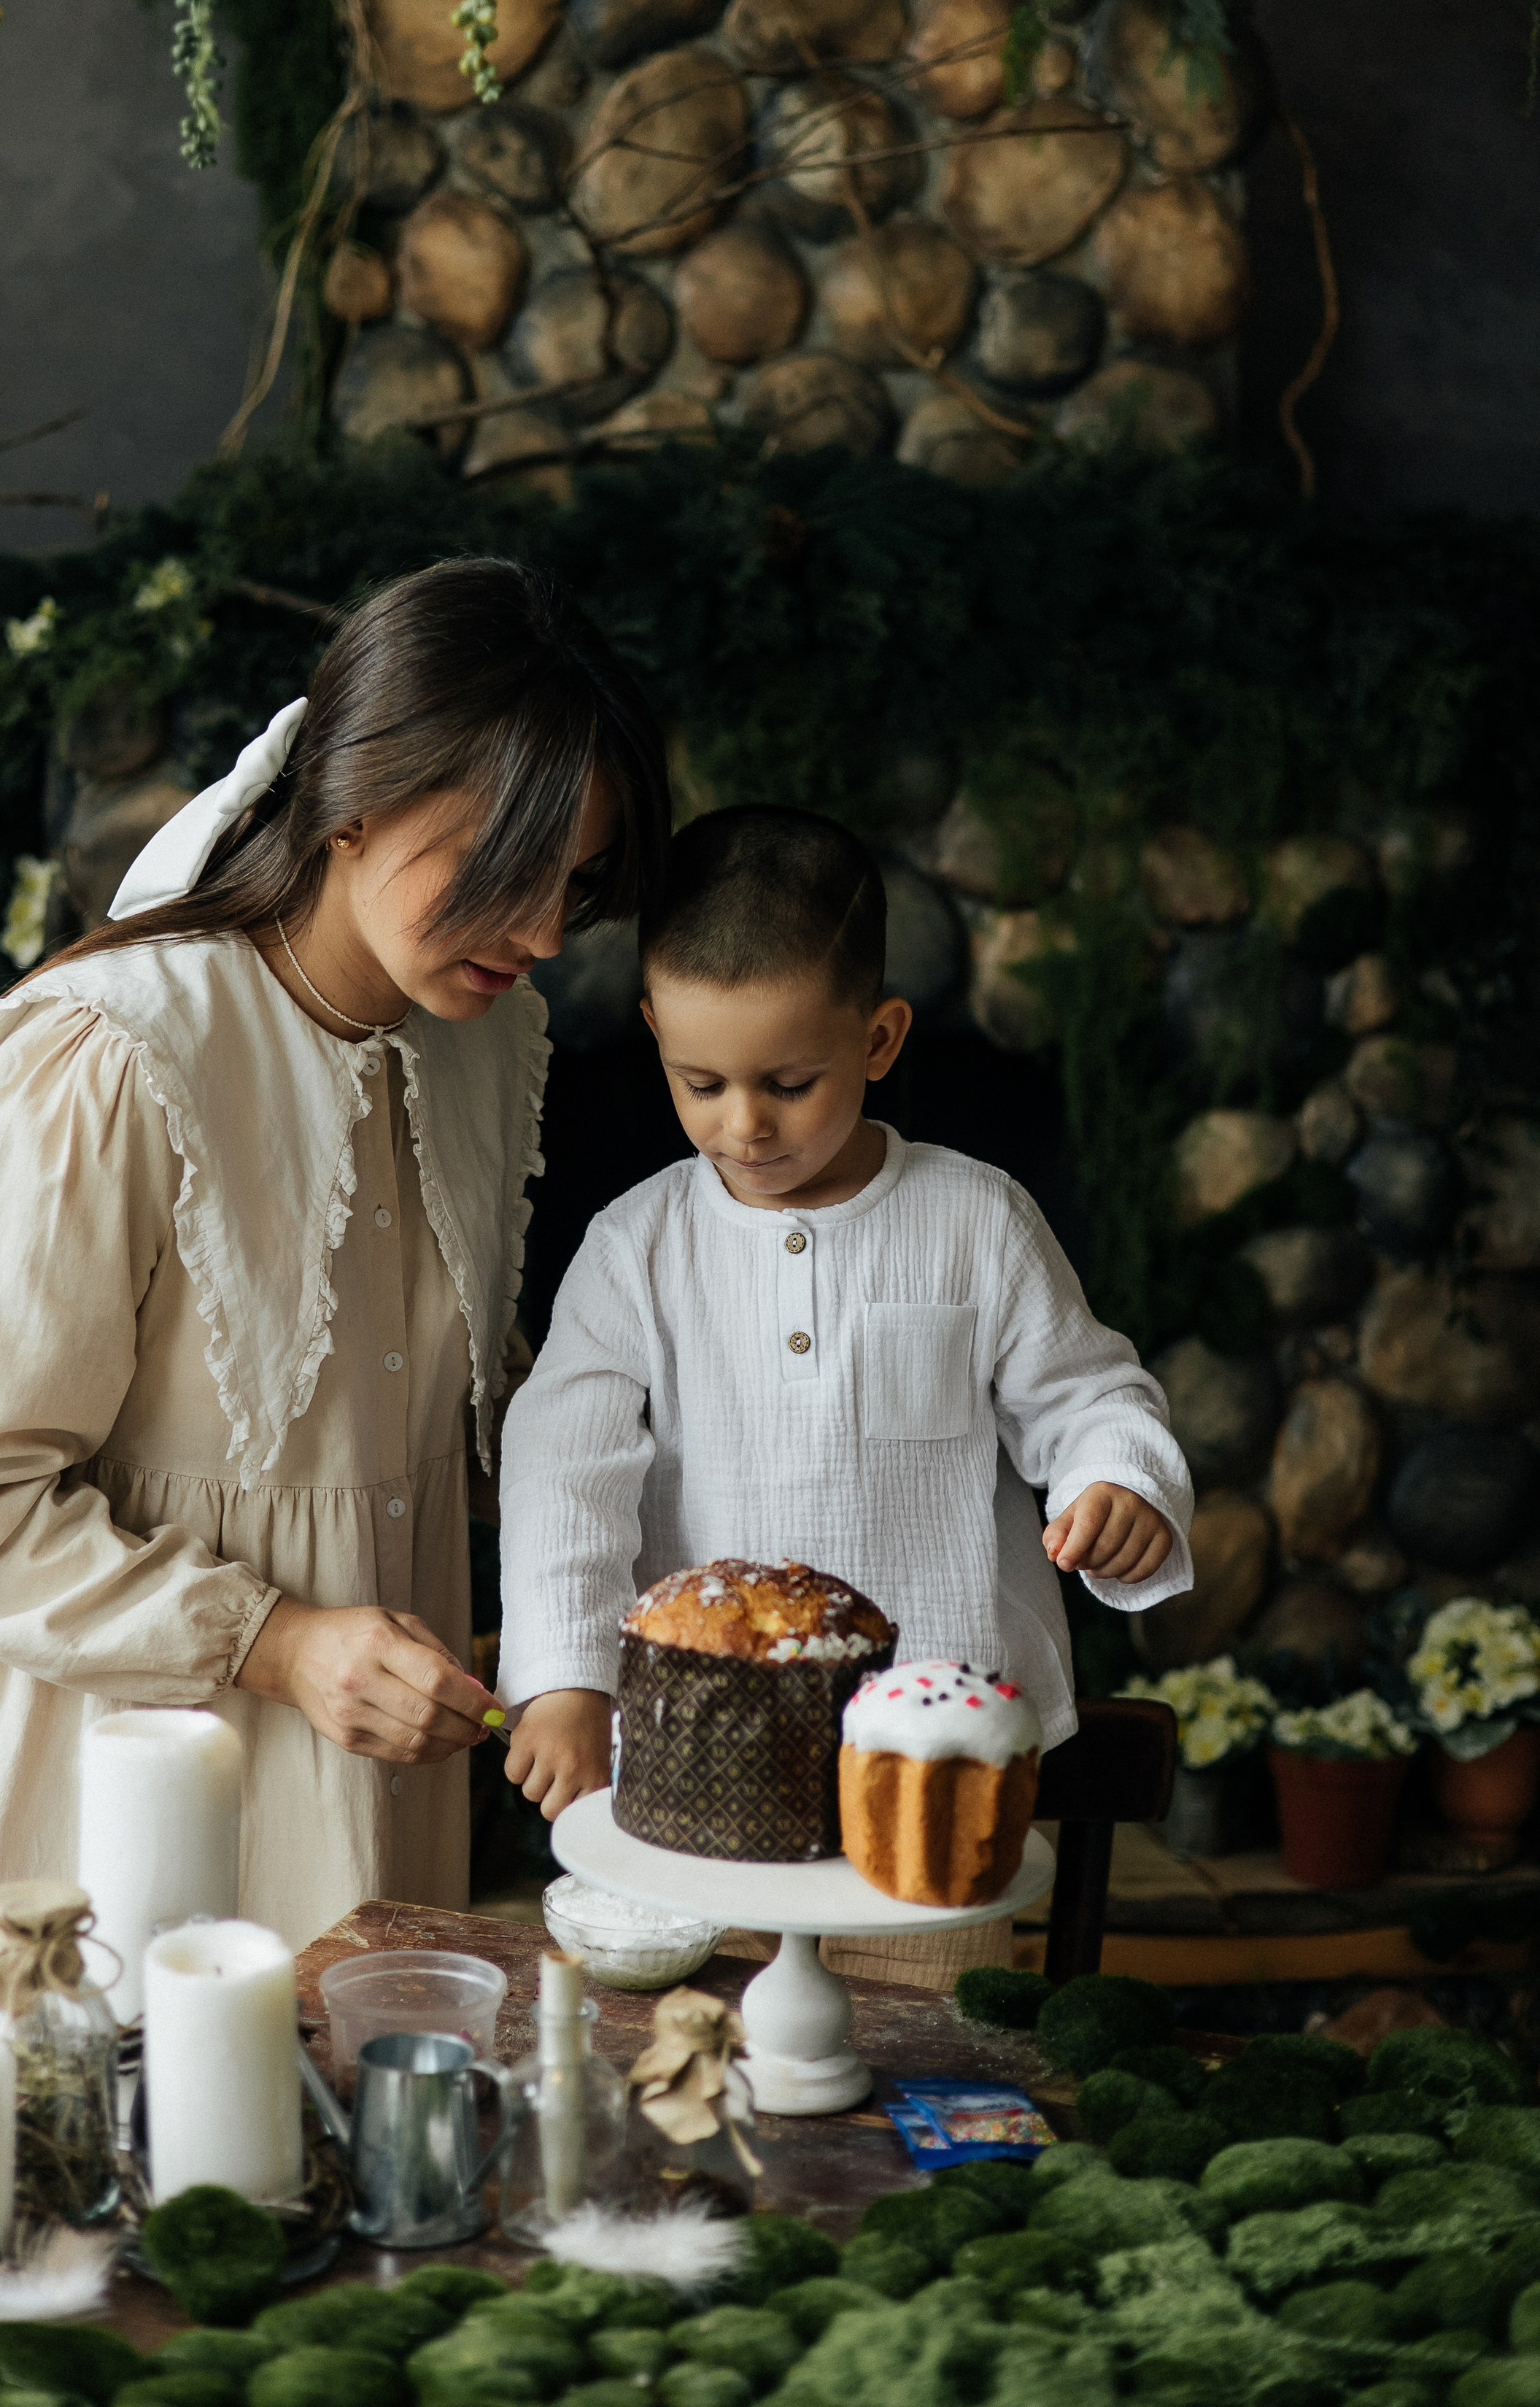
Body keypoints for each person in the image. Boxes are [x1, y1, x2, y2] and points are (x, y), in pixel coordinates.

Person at [0, 558, 670, 2095]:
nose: (542, 932)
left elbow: (417, 1411)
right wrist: (273, 1643)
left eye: (577, 886)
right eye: (504, 866)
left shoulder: (476, 1046)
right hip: (91, 1805)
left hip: (357, 1789)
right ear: (352, 801)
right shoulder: (111, 1058)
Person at [498, 805, 1193, 1983]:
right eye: (701, 1081)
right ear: (654, 1028)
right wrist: (565, 1681)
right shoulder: (639, 1247)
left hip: (933, 1780)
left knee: (925, 2068)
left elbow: (1085, 1394)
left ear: (878, 1038)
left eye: (789, 1081)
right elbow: (565, 1472)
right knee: (706, 2082)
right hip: (699, 1784)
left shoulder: (975, 1220)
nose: (744, 1124)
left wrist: (1118, 1478)